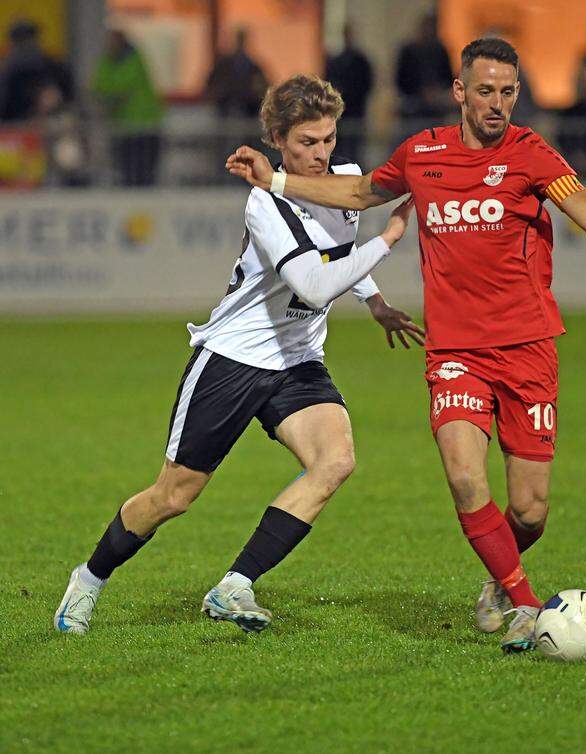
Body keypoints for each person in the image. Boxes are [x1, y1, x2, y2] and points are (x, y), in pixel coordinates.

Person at [226, 38, 586, 653]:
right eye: (485, 91)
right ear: (460, 92)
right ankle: (527, 605)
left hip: (528, 349)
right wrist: (279, 179)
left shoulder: (532, 155)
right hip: (456, 352)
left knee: (529, 511)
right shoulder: (423, 155)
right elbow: (362, 192)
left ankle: (500, 580)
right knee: (463, 476)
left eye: (507, 92)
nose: (496, 103)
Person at [54, 74, 422, 636]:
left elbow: (339, 252)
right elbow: (314, 285)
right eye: (306, 143)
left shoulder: (345, 181)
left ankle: (236, 585)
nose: (321, 155)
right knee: (174, 496)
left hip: (297, 361)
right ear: (277, 139)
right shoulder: (264, 205)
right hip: (232, 359)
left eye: (327, 140)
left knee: (335, 460)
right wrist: (391, 237)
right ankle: (88, 579)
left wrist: (374, 301)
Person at [91, 29, 164, 186]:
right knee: (126, 170)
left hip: (145, 125)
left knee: (144, 171)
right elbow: (98, 85)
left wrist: (108, 93)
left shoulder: (134, 60)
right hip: (124, 126)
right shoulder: (108, 60)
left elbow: (121, 86)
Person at [0, 18, 74, 122]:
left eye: (28, 39)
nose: (26, 45)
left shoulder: (55, 68)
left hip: (53, 127)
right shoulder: (7, 74)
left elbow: (71, 102)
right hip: (17, 130)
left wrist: (57, 104)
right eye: (21, 41)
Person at [395, 13, 454, 134]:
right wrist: (419, 91)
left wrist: (436, 91)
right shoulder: (408, 52)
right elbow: (401, 78)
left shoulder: (440, 50)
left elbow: (448, 76)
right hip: (413, 105)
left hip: (435, 107)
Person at [324, 24, 374, 163]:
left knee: (355, 149)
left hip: (356, 111)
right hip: (340, 115)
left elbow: (366, 84)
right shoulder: (337, 61)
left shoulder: (360, 61)